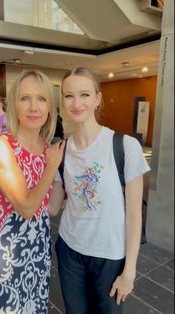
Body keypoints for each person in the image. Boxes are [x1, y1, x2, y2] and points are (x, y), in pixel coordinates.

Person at [49, 67, 150, 314]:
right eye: (69, 95)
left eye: (84, 94)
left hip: (110, 255)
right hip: (70, 250)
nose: (76, 102)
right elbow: (52, 208)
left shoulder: (125, 146)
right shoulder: (60, 151)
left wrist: (130, 271)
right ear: (62, 101)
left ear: (97, 99)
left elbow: (135, 214)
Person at [0, 70, 65, 313]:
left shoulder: (47, 148)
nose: (34, 106)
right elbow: (26, 208)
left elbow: (51, 208)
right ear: (14, 104)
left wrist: (60, 176)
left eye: (41, 98)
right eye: (25, 98)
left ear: (50, 106)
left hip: (37, 246)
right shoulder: (0, 145)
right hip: (4, 252)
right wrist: (51, 166)